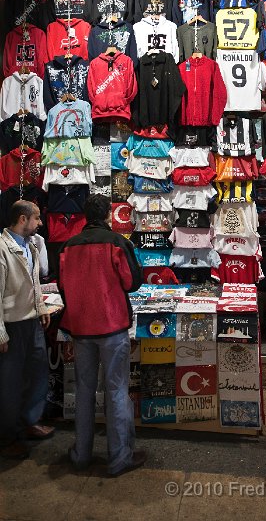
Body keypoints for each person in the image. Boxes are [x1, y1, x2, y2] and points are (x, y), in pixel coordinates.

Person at [58, 194, 145, 477]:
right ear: (108, 215)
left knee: (84, 391)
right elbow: (132, 282)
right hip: (112, 326)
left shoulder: (68, 246)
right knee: (117, 390)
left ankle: (81, 454)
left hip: (81, 329)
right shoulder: (117, 243)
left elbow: (62, 286)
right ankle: (119, 458)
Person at [0, 200, 54, 459]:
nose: (40, 223)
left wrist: (41, 308)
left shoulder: (31, 244)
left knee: (37, 372)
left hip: (31, 320)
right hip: (12, 323)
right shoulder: (2, 248)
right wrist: (0, 331)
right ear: (23, 219)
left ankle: (30, 421)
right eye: (36, 218)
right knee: (10, 382)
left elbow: (34, 281)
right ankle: (9, 435)